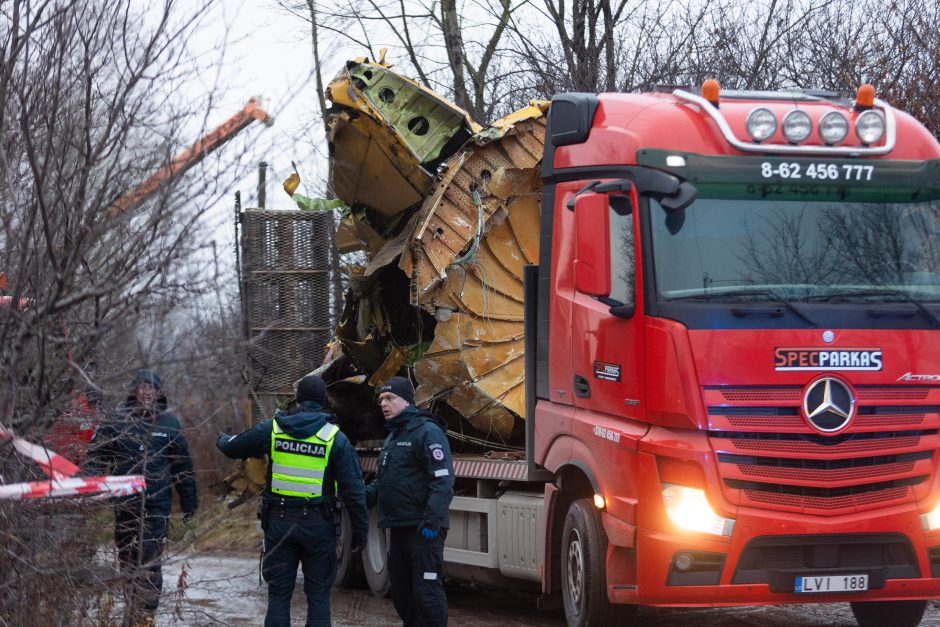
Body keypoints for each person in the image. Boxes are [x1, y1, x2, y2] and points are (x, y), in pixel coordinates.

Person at [216, 373, 368, 627]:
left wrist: (222, 438)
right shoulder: (335, 438)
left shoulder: (273, 429)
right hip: (319, 527)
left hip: (280, 523)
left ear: (297, 400)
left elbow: (234, 447)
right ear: (323, 402)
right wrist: (361, 531)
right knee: (318, 599)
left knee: (278, 598)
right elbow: (353, 490)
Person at [87, 369, 197, 627]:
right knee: (127, 558)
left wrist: (189, 501)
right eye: (143, 387)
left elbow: (183, 466)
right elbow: (97, 457)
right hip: (124, 505)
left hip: (157, 505)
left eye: (152, 387)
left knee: (149, 560)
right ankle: (132, 608)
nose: (147, 392)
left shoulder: (169, 423)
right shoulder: (116, 421)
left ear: (159, 393)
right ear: (134, 390)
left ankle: (145, 618)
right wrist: (86, 483)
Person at [365, 376, 454, 627]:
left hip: (423, 530)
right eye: (381, 399)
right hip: (398, 527)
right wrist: (358, 499)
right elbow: (384, 482)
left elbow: (442, 482)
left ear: (407, 401)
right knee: (403, 596)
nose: (384, 404)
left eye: (390, 398)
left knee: (427, 594)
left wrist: (431, 522)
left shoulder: (427, 432)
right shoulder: (393, 437)